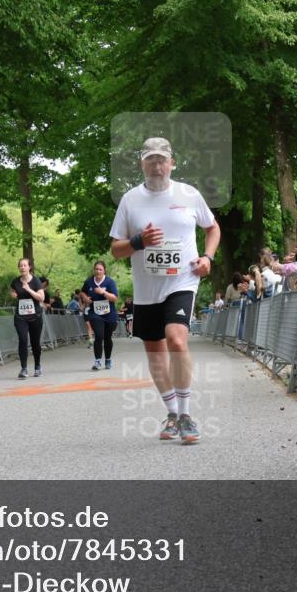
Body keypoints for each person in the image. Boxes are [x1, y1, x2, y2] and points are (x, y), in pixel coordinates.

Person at [109, 137, 220, 445]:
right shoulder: (130, 200)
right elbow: (116, 250)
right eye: (150, 160)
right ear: (142, 164)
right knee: (155, 353)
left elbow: (212, 227)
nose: (157, 165)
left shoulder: (189, 194)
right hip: (147, 289)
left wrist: (207, 258)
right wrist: (138, 242)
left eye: (162, 159)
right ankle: (171, 412)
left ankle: (186, 415)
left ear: (172, 163)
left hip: (182, 281)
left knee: (176, 338)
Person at [10, 257, 46, 379]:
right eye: (20, 265)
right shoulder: (15, 281)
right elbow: (12, 291)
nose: (22, 267)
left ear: (29, 267)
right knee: (23, 340)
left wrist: (29, 289)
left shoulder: (36, 281)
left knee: (35, 343)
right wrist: (13, 294)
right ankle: (24, 369)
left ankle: (37, 366)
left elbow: (41, 298)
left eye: (25, 265)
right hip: (21, 317)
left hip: (35, 316)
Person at [81, 260, 120, 370]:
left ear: (104, 271)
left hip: (109, 314)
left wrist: (103, 293)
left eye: (100, 269)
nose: (98, 271)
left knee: (107, 338)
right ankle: (97, 361)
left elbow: (115, 298)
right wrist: (84, 297)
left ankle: (108, 359)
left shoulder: (109, 282)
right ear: (94, 270)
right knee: (99, 335)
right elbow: (82, 292)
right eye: (96, 269)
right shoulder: (89, 282)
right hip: (95, 313)